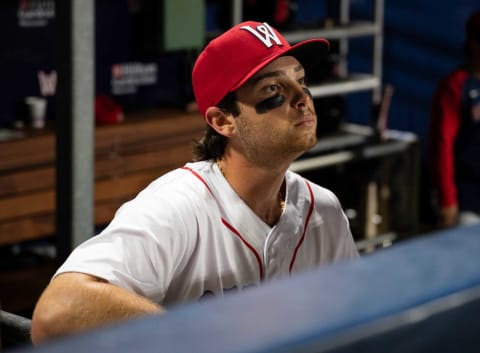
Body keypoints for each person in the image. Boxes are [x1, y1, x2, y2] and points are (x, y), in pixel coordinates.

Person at [31, 21, 359, 344]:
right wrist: (201, 337)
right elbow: (58, 312)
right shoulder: (179, 206)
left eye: (301, 81)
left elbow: (354, 319)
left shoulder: (323, 211)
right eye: (273, 89)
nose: (301, 97)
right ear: (222, 120)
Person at [428, 10, 480, 228]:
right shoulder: (456, 86)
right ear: (475, 43)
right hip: (465, 198)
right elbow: (441, 145)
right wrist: (447, 199)